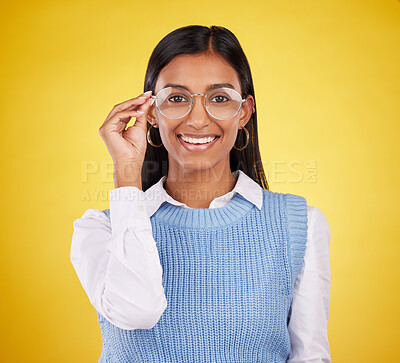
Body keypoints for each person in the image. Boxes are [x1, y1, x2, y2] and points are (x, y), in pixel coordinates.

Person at [70, 25, 331, 363]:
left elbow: (310, 357)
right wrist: (126, 174)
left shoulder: (301, 226)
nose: (196, 119)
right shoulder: (101, 230)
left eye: (219, 98)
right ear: (151, 113)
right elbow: (137, 312)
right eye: (177, 98)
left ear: (244, 113)